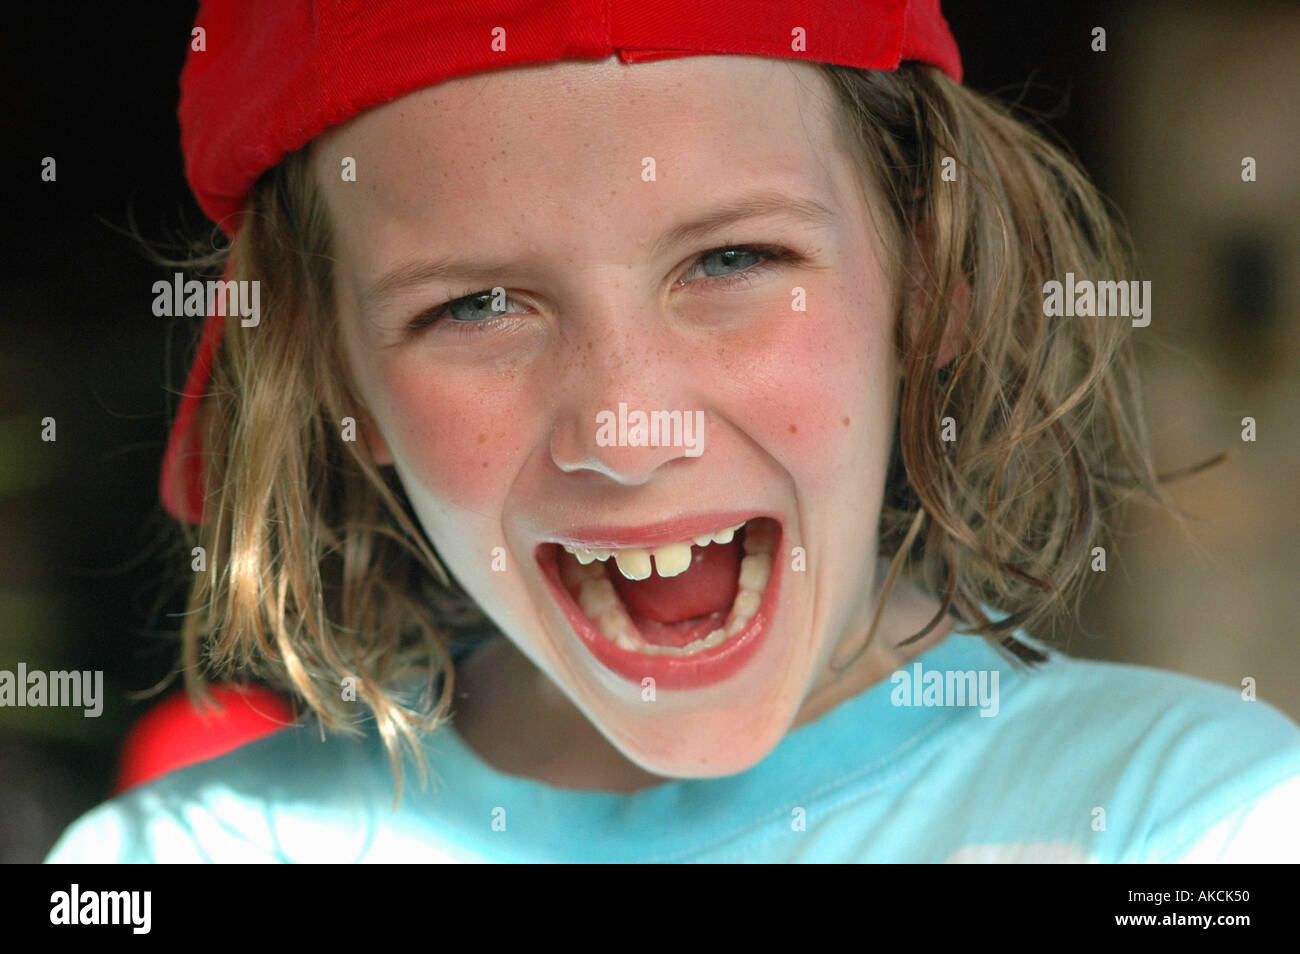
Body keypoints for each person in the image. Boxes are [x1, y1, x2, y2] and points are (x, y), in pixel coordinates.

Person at [46, 0, 1300, 862]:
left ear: (929, 286)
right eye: (476, 304)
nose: (626, 429)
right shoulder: (181, 858)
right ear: (339, 379)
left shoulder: (1192, 818)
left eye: (732, 258)